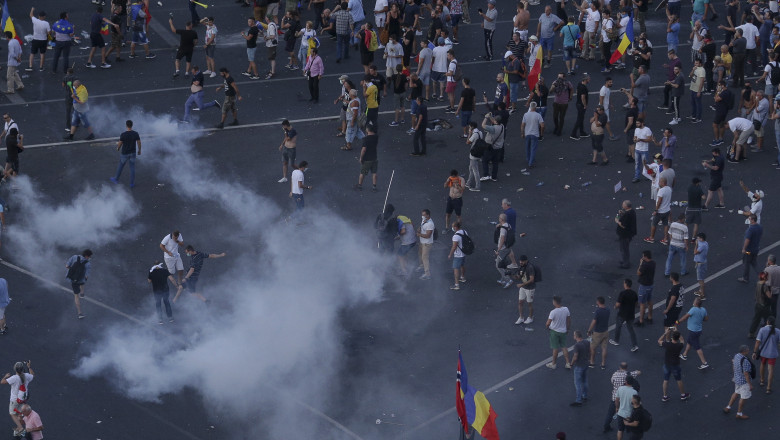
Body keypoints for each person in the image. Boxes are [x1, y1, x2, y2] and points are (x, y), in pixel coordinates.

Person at [604, 362, 640, 433]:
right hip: (625, 399)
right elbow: (638, 372)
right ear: (626, 367)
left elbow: (612, 382)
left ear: (620, 367)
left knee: (610, 414)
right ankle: (628, 428)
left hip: (615, 398)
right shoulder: (629, 374)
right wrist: (637, 371)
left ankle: (606, 426)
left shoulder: (614, 375)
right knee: (627, 413)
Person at [1, 361, 34, 437]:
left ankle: (21, 428)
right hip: (23, 398)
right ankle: (19, 429)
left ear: (15, 369)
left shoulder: (14, 378)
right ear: (22, 369)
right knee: (19, 413)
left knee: (12, 413)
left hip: (15, 400)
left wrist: (5, 376)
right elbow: (32, 374)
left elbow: (2, 382)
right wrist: (29, 367)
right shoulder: (27, 376)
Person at [656, 329, 690, 402]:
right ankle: (683, 395)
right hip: (675, 365)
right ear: (678, 338)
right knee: (678, 380)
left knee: (666, 380)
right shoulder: (679, 346)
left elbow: (659, 340)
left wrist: (665, 333)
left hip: (667, 364)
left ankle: (665, 396)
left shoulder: (667, 345)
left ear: (672, 337)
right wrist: (677, 331)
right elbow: (682, 340)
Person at [724, 345, 753, 419]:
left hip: (737, 379)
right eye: (747, 350)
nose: (748, 350)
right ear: (744, 351)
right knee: (743, 397)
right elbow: (746, 374)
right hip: (744, 382)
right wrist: (750, 384)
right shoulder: (745, 361)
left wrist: (735, 375)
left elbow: (733, 365)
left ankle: (728, 407)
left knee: (736, 392)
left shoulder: (736, 356)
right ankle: (739, 413)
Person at [110, 120, 141, 188]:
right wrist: (139, 150)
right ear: (132, 125)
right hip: (133, 153)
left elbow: (120, 143)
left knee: (120, 166)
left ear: (126, 125)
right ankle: (132, 183)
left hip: (125, 153)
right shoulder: (135, 133)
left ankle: (116, 179)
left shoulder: (123, 134)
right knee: (132, 168)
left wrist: (118, 148)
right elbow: (139, 142)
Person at [610, 279, 639, 352]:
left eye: (624, 283)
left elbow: (618, 304)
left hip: (622, 314)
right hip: (631, 314)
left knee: (618, 327)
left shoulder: (622, 293)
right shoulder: (634, 293)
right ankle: (635, 345)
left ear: (626, 284)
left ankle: (616, 341)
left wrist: (615, 307)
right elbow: (636, 304)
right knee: (631, 330)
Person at [753, 315, 779, 393]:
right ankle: (768, 388)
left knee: (762, 364)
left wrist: (754, 352)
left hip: (763, 352)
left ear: (767, 321)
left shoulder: (762, 330)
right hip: (773, 353)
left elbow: (758, 342)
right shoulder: (778, 331)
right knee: (771, 370)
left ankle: (762, 380)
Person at [545, 296, 572, 369]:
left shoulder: (553, 312)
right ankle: (568, 363)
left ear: (554, 302)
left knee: (555, 348)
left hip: (554, 332)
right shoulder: (566, 309)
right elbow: (568, 320)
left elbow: (548, 323)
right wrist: (568, 329)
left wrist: (547, 327)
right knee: (564, 346)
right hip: (563, 331)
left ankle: (553, 363)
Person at [65, 249, 93, 319]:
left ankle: (80, 313)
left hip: (73, 279)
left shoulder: (74, 257)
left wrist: (73, 271)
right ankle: (82, 293)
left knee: (76, 296)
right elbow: (86, 276)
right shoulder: (88, 264)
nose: (90, 258)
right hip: (80, 280)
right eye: (90, 256)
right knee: (82, 282)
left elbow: (67, 266)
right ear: (86, 256)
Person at [587, 297, 611, 369]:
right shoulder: (608, 309)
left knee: (592, 348)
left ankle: (592, 362)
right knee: (604, 348)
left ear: (598, 302)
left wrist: (589, 330)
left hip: (597, 332)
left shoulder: (598, 311)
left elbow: (594, 321)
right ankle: (603, 364)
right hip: (605, 331)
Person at [739, 214, 763, 283]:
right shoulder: (760, 227)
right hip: (756, 249)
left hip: (748, 251)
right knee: (754, 263)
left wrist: (744, 249)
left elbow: (747, 240)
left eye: (749, 219)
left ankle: (745, 278)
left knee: (746, 263)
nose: (748, 220)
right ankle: (763, 276)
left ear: (752, 220)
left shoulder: (750, 229)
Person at [480, 112, 505, 178]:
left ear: (496, 121)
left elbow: (483, 125)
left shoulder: (493, 128)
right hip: (498, 147)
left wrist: (486, 117)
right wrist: (490, 117)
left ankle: (486, 175)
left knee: (485, 160)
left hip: (491, 147)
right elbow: (494, 121)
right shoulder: (502, 126)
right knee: (495, 162)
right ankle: (494, 177)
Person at [520, 102, 544, 168]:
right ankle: (531, 162)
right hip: (535, 134)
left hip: (527, 133)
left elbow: (522, 125)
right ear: (535, 107)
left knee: (527, 147)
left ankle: (528, 159)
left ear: (530, 107)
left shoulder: (525, 115)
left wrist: (522, 133)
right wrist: (541, 133)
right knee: (533, 148)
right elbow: (542, 126)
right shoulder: (538, 115)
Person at [356, 121, 378, 191]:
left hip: (367, 159)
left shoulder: (365, 139)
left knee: (362, 173)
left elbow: (364, 150)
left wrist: (361, 158)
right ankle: (374, 186)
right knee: (374, 172)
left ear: (367, 130)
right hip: (374, 157)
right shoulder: (376, 137)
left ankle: (360, 185)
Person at [570, 330, 590, 406]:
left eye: (574, 335)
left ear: (576, 336)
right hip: (586, 364)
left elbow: (575, 357)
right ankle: (585, 396)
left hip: (579, 366)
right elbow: (590, 351)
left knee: (577, 383)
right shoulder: (587, 342)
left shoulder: (577, 345)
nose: (573, 336)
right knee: (585, 381)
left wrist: (571, 364)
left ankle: (578, 400)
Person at [514, 255, 536, 325]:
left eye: (522, 261)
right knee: (520, 302)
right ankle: (521, 317)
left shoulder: (530, 267)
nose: (521, 262)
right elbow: (519, 277)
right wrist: (513, 275)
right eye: (520, 261)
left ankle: (530, 317)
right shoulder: (521, 267)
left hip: (530, 288)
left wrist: (521, 285)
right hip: (523, 287)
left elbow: (532, 280)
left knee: (529, 303)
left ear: (526, 261)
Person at [27, 8, 50, 72]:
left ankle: (30, 66)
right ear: (44, 16)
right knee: (42, 53)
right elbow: (49, 32)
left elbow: (31, 15)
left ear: (39, 16)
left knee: (32, 53)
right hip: (43, 40)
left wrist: (32, 9)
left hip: (35, 39)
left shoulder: (35, 20)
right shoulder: (46, 23)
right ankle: (41, 67)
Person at [636, 250, 655, 326]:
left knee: (642, 303)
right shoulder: (653, 263)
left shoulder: (644, 265)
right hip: (650, 284)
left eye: (643, 256)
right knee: (649, 301)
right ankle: (650, 317)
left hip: (644, 286)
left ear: (645, 256)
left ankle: (641, 320)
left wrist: (640, 263)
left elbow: (638, 273)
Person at [616, 200, 637, 269]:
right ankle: (624, 260)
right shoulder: (632, 211)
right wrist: (622, 213)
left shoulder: (627, 214)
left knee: (624, 249)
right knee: (625, 248)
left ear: (626, 206)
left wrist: (617, 221)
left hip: (625, 235)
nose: (622, 205)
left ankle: (626, 263)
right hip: (629, 234)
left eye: (623, 204)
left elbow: (623, 225)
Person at [415, 209, 435, 280]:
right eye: (422, 215)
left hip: (427, 243)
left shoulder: (430, 224)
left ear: (428, 215)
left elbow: (428, 235)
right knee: (420, 254)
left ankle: (427, 274)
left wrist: (419, 234)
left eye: (424, 215)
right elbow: (421, 226)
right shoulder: (424, 220)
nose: (422, 216)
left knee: (424, 257)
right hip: (422, 242)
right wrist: (419, 229)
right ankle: (422, 266)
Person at [443, 170, 464, 234]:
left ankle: (458, 230)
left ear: (457, 175)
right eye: (452, 176)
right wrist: (448, 181)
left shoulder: (461, 179)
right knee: (447, 214)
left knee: (458, 216)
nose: (453, 178)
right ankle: (446, 228)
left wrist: (457, 185)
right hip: (450, 199)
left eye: (454, 177)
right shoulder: (450, 178)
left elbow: (462, 190)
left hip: (457, 199)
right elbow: (445, 186)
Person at [448, 221, 468, 290]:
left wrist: (450, 254)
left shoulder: (455, 236)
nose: (452, 228)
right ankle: (462, 277)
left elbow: (454, 247)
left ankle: (456, 285)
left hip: (458, 255)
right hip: (463, 253)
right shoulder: (464, 232)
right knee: (462, 265)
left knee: (456, 269)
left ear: (456, 227)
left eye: (453, 226)